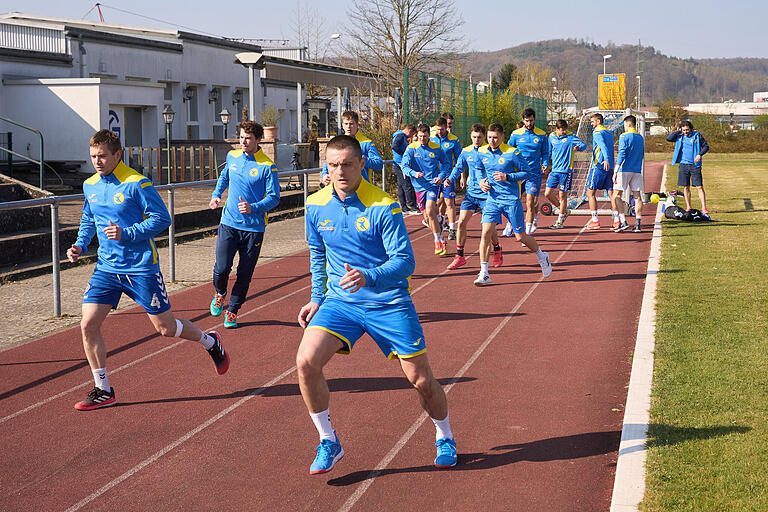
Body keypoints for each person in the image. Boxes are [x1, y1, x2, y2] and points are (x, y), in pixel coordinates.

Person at [296, 134, 457, 474]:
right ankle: (329, 441)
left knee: (422, 381)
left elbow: (405, 262)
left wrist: (368, 276)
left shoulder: (383, 205)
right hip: (342, 303)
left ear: (362, 165)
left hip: (389, 301)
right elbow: (317, 255)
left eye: (348, 165)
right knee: (306, 362)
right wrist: (315, 298)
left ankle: (445, 436)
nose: (340, 172)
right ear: (326, 165)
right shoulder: (314, 204)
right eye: (334, 165)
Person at [67, 130, 229, 411]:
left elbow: (162, 219)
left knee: (165, 328)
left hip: (141, 267)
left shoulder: (136, 183)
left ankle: (210, 341)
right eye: (93, 156)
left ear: (117, 154)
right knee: (88, 324)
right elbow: (88, 219)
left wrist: (127, 233)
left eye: (103, 156)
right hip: (107, 268)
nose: (97, 161)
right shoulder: (89, 185)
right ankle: (103, 389)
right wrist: (80, 246)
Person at [208, 121, 280, 328]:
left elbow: (274, 198)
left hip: (254, 229)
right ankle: (220, 293)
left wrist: (253, 207)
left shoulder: (267, 166)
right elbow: (224, 178)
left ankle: (232, 310)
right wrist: (216, 195)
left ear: (258, 140)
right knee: (221, 269)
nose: (243, 141)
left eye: (248, 138)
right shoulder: (232, 157)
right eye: (241, 137)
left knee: (244, 274)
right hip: (229, 223)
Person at [474, 123, 552, 286]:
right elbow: (478, 169)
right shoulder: (482, 152)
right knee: (485, 233)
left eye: (495, 137)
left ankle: (541, 255)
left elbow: (527, 173)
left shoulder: (512, 152)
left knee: (520, 237)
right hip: (492, 200)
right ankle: (484, 273)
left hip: (510, 200)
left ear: (503, 137)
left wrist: (507, 177)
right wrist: (481, 182)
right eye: (489, 137)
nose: (492, 140)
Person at [444, 123, 502, 270]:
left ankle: (496, 249)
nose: (477, 140)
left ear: (484, 137)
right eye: (474, 137)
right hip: (471, 194)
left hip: (487, 195)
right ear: (471, 136)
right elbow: (458, 167)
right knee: (461, 222)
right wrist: (450, 179)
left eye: (480, 137)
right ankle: (460, 256)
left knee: (488, 229)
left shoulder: (489, 152)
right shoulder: (466, 151)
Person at [401, 124, 453, 256]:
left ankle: (436, 240)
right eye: (420, 136)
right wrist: (414, 173)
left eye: (425, 136)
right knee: (428, 217)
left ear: (429, 135)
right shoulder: (411, 148)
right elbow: (404, 166)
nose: (422, 139)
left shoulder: (436, 148)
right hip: (418, 186)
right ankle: (441, 237)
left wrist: (440, 177)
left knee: (430, 210)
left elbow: (447, 164)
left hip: (432, 184)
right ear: (416, 136)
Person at [506, 108, 550, 236]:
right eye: (526, 121)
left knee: (530, 201)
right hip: (518, 173)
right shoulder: (516, 134)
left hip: (534, 173)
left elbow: (546, 153)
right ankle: (510, 224)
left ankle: (527, 233)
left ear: (534, 119)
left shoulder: (541, 135)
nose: (529, 123)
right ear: (523, 120)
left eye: (531, 121)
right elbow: (509, 151)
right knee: (514, 201)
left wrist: (545, 164)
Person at [545, 120, 587, 229]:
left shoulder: (571, 137)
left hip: (566, 171)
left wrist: (579, 148)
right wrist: (545, 164)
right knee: (547, 193)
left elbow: (583, 145)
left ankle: (560, 221)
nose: (564, 132)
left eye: (565, 129)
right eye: (561, 130)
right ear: (556, 129)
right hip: (554, 171)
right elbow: (548, 152)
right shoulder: (551, 137)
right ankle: (563, 210)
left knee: (562, 196)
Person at [321, 110, 383, 184]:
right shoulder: (337, 142)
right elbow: (328, 161)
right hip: (340, 187)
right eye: (346, 124)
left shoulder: (367, 143)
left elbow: (379, 164)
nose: (348, 127)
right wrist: (324, 175)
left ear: (357, 125)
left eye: (351, 124)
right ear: (342, 125)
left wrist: (360, 159)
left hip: (361, 187)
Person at [666, 120, 710, 217]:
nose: (686, 131)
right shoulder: (679, 136)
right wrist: (678, 131)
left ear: (691, 129)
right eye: (684, 130)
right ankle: (688, 206)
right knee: (686, 187)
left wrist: (699, 154)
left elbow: (706, 146)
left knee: (699, 186)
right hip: (683, 165)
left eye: (687, 129)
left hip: (695, 165)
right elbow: (668, 138)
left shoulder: (697, 136)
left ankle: (704, 208)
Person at [585, 113, 619, 230]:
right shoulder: (609, 133)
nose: (591, 124)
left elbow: (603, 146)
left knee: (590, 193)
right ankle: (616, 220)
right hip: (609, 167)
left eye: (592, 122)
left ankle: (595, 221)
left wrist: (605, 159)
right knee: (610, 193)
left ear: (598, 121)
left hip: (600, 165)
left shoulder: (597, 132)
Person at [431, 116, 462, 240]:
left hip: (448, 175)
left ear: (446, 128)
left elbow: (460, 159)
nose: (440, 132)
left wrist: (462, 176)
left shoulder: (454, 140)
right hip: (434, 175)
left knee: (449, 202)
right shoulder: (431, 138)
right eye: (438, 129)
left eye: (442, 129)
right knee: (437, 202)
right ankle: (440, 219)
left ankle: (452, 229)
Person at [613, 115, 645, 232]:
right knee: (637, 197)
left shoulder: (624, 136)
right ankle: (637, 223)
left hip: (624, 169)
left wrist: (615, 170)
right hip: (636, 169)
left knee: (616, 195)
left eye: (624, 125)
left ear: (628, 124)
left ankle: (623, 221)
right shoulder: (640, 137)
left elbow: (622, 153)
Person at [391, 123, 419, 214]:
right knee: (407, 185)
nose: (410, 137)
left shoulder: (401, 136)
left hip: (399, 164)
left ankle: (403, 207)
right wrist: (404, 153)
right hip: (400, 164)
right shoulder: (400, 136)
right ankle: (412, 206)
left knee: (401, 186)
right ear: (410, 131)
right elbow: (394, 146)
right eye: (412, 134)